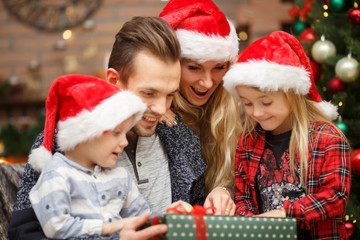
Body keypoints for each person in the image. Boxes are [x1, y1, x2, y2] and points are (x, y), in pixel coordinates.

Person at [8, 16, 206, 240]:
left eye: (170, 95)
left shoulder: (182, 139)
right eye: (149, 93)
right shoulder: (64, 140)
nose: (161, 108)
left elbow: (199, 219)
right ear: (114, 80)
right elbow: (22, 235)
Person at [223, 31, 351, 239]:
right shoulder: (248, 141)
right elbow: (243, 197)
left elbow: (334, 197)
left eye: (265, 102)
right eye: (247, 103)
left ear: (292, 95)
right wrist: (249, 225)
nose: (256, 112)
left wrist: (284, 213)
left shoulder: (328, 138)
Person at [28, 74, 150, 239]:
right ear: (85, 133)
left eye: (125, 133)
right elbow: (55, 226)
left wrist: (168, 219)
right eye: (117, 133)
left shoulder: (120, 176)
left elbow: (142, 218)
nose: (124, 142)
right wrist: (106, 228)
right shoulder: (57, 174)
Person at [158, 0, 243, 215]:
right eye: (194, 67)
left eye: (218, 68)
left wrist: (225, 190)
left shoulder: (236, 105)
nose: (206, 82)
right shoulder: (152, 117)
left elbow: (239, 180)